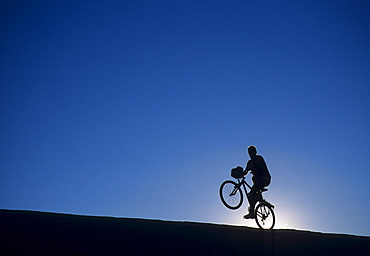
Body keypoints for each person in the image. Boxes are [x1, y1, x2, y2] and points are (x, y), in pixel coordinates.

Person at [243, 146, 271, 219]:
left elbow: (260, 167)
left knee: (252, 192)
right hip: (258, 181)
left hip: (265, 179)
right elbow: (245, 171)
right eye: (249, 153)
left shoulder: (259, 158)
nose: (250, 154)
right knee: (251, 195)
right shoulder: (250, 162)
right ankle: (252, 210)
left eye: (251, 152)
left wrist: (254, 169)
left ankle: (252, 211)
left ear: (255, 152)